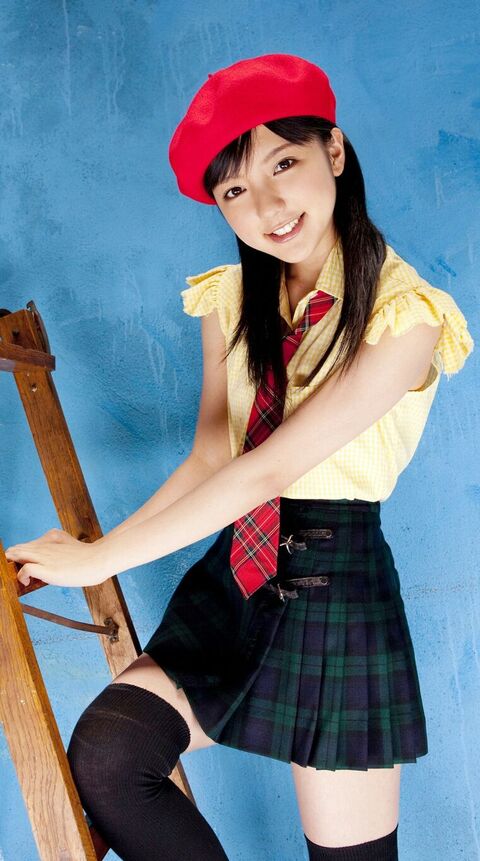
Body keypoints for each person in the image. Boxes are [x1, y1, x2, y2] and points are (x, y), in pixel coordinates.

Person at [5, 53, 474, 861]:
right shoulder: (230, 299)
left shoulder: (406, 315)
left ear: (335, 150)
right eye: (233, 191)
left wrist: (100, 562)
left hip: (336, 586)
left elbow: (269, 468)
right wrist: (93, 549)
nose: (266, 207)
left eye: (283, 164)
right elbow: (210, 459)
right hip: (237, 576)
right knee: (113, 754)